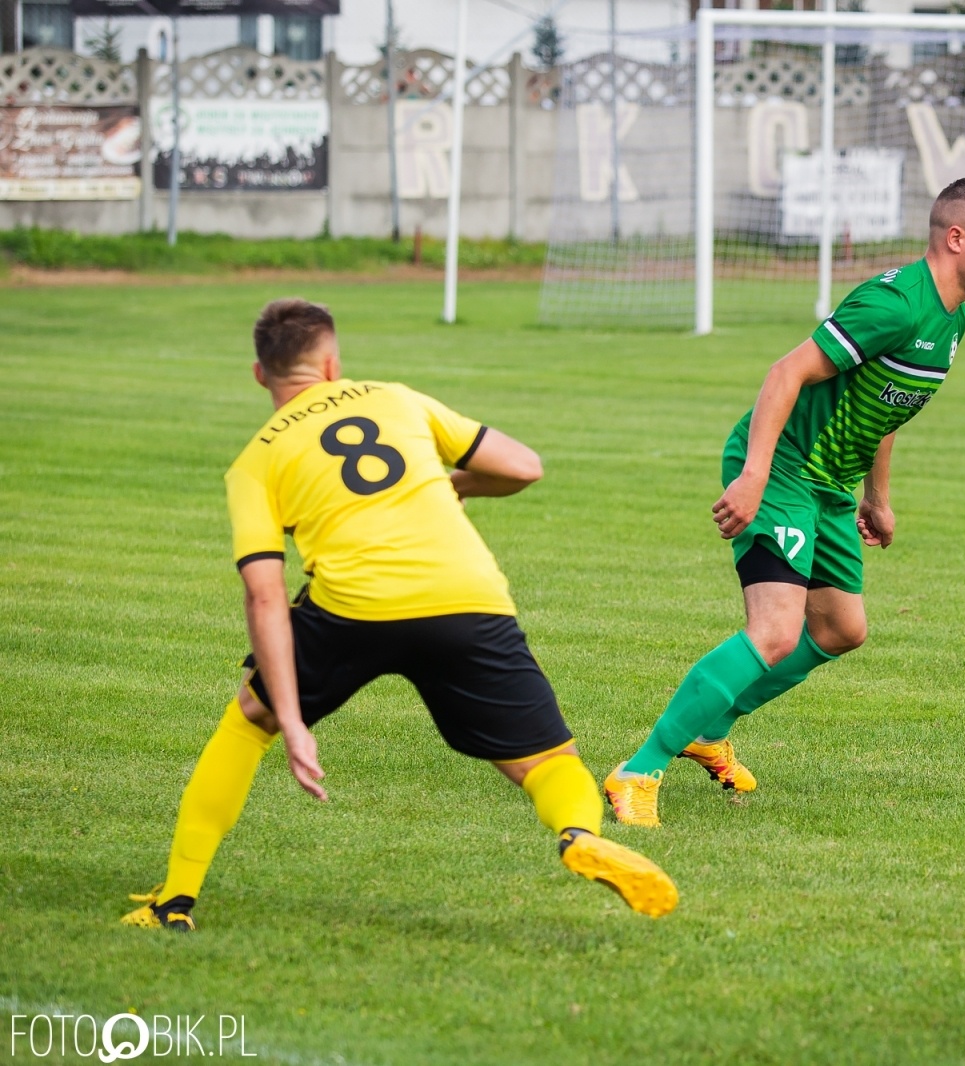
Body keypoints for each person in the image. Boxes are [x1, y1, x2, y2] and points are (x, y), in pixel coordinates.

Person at [122, 298, 677, 930]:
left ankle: (175, 903)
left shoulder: (254, 462)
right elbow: (524, 466)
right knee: (549, 764)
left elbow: (265, 596)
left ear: (260, 375)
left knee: (250, 721)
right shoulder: (396, 398)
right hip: (467, 596)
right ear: (331, 362)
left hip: (353, 608)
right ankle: (578, 835)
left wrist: (292, 718)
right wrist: (452, 484)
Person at [604, 177, 965, 828]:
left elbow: (883, 407)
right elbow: (787, 372)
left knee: (840, 629)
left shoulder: (952, 319)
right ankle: (638, 770)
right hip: (785, 471)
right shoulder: (895, 306)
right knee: (774, 631)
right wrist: (752, 476)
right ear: (956, 237)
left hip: (829, 485)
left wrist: (876, 497)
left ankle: (707, 730)